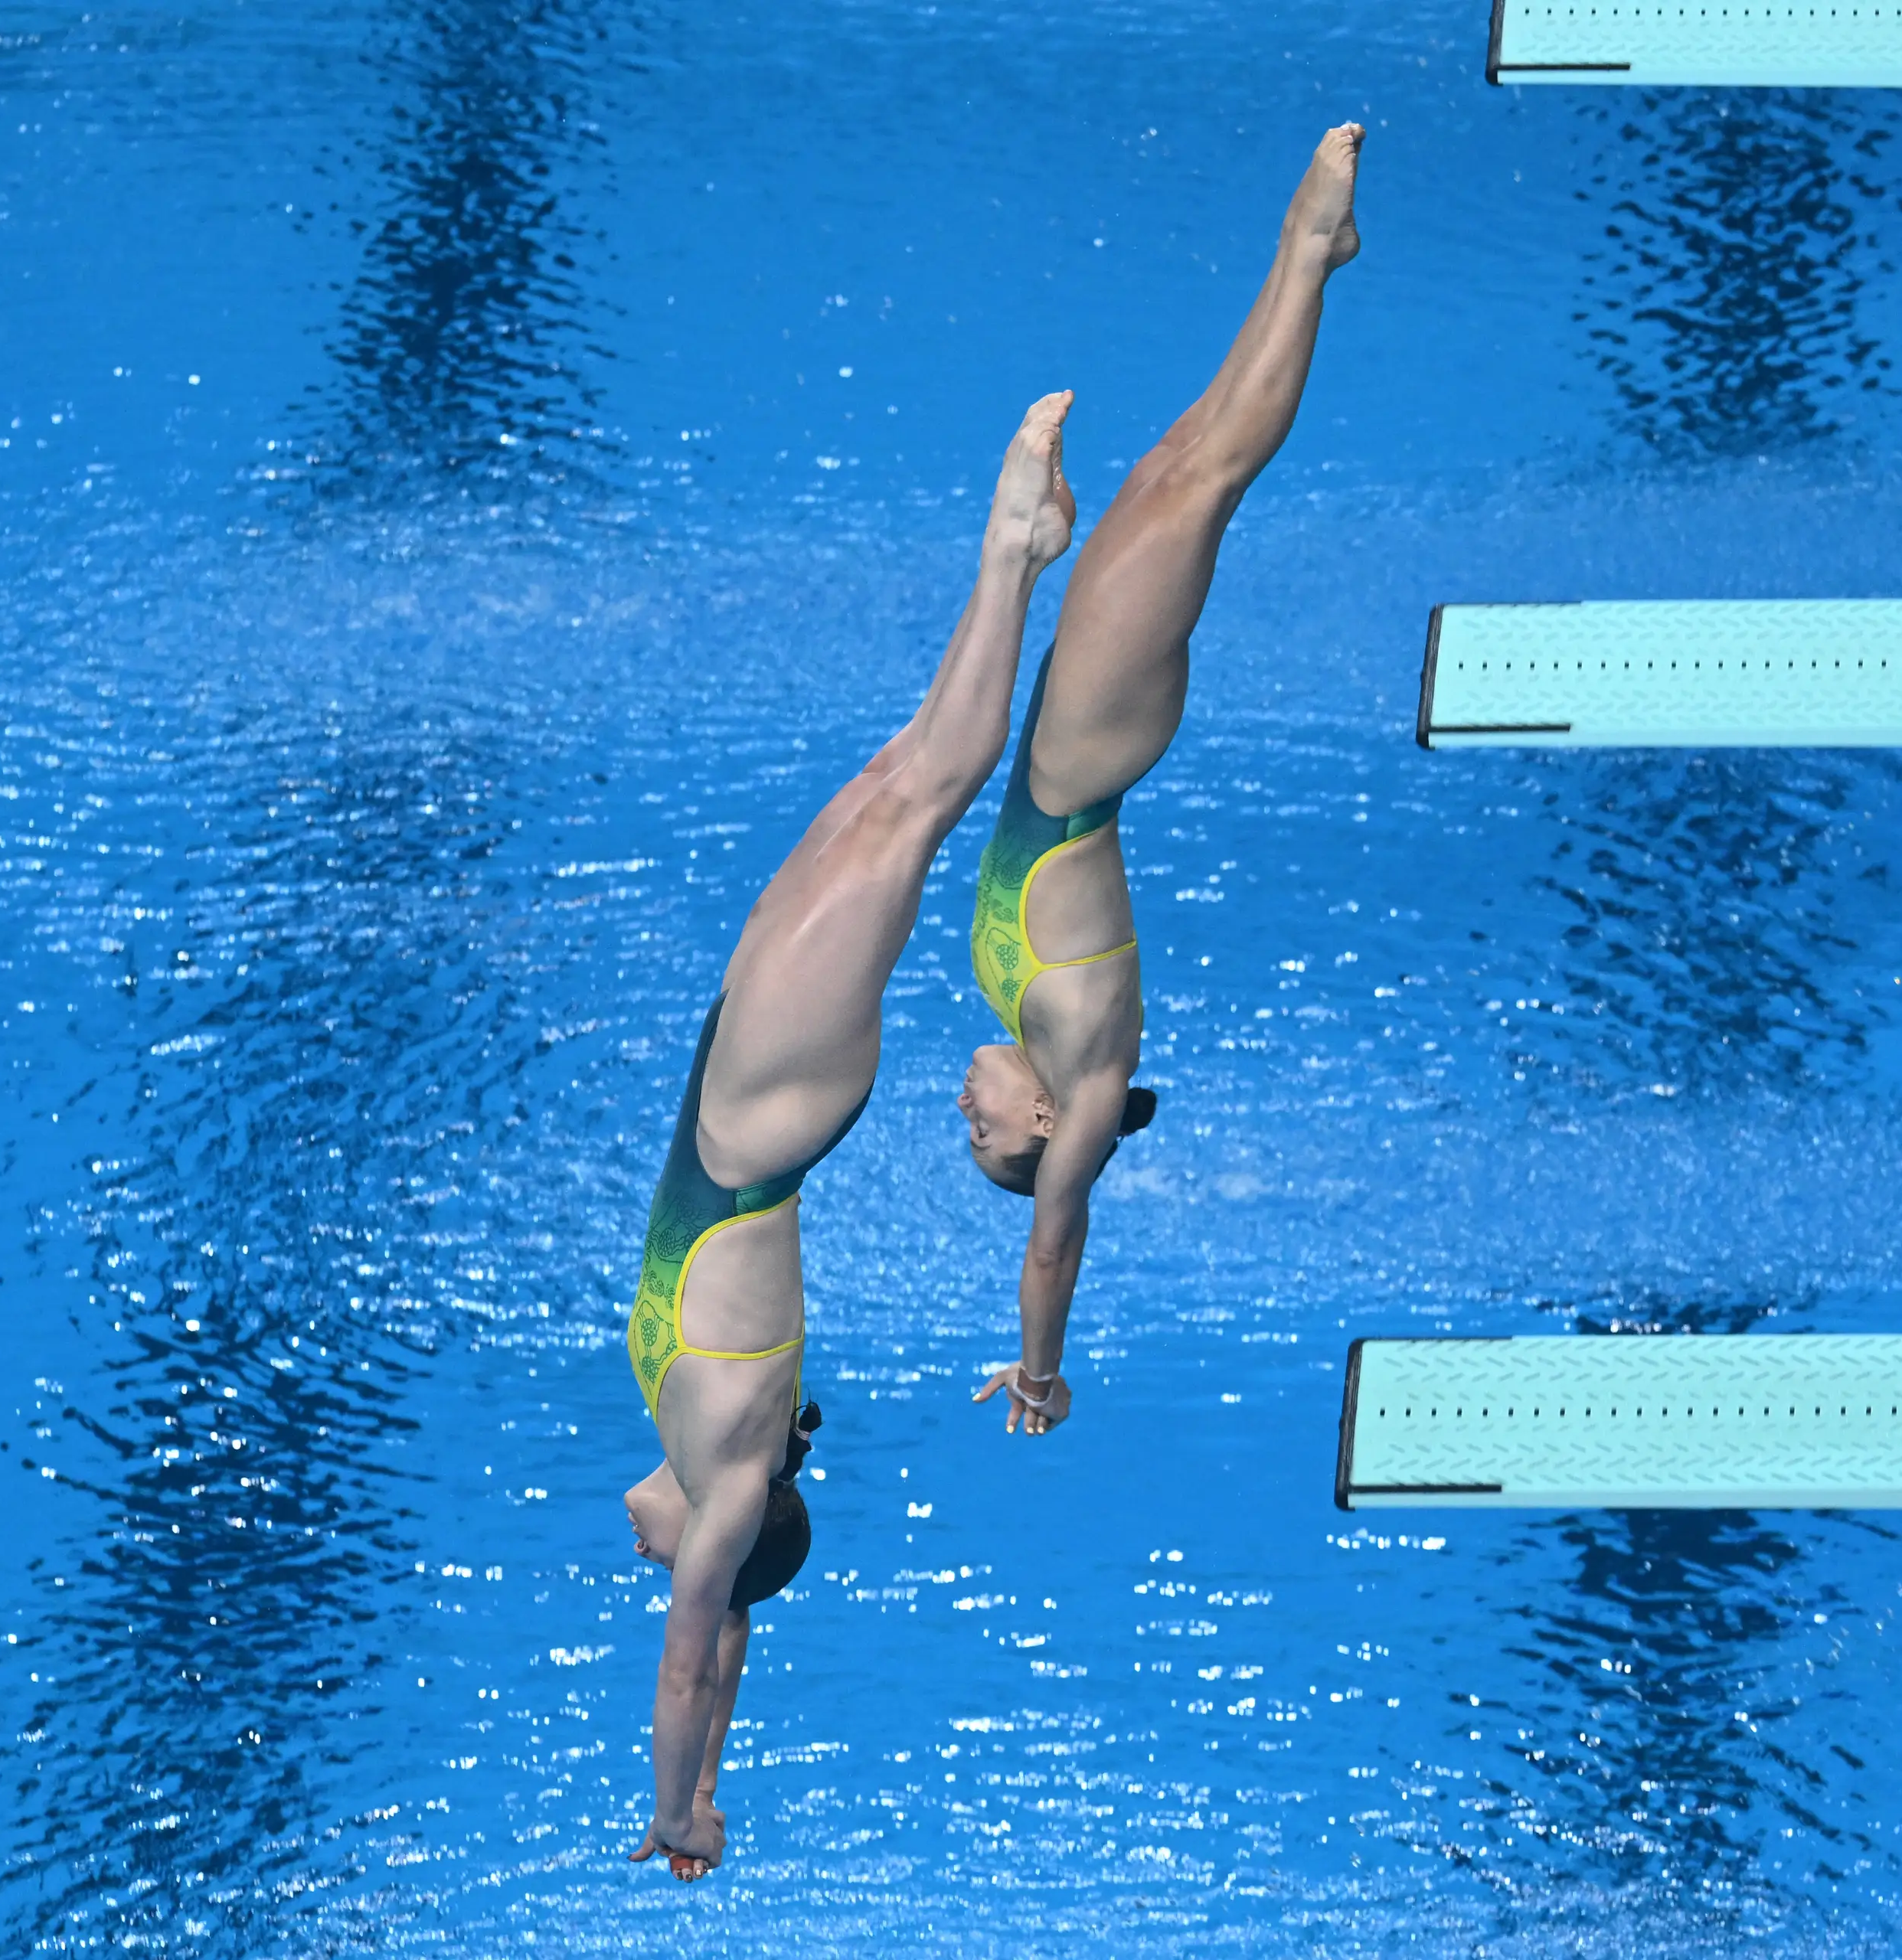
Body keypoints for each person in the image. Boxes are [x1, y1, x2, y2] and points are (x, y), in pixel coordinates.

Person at [619, 392, 1078, 1880]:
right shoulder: (733, 1481)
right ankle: (1019, 545)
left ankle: (1019, 548)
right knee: (925, 800)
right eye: (683, 1573)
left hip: (743, 1074)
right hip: (772, 1102)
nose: (653, 1568)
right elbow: (701, 1659)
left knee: (896, 782)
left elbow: (728, 1644)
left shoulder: (712, 1465)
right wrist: (682, 1808)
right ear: (725, 1549)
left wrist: (714, 1767)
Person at [963, 125, 1364, 1437]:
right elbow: (1053, 1244)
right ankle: (1311, 252)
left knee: (1182, 465)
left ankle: (1312, 252)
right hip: (1089, 752)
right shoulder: (1077, 1098)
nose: (960, 1114)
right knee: (1208, 477)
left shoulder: (1044, 1045)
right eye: (979, 1137)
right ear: (1038, 1124)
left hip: (1074, 743)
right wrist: (1038, 1368)